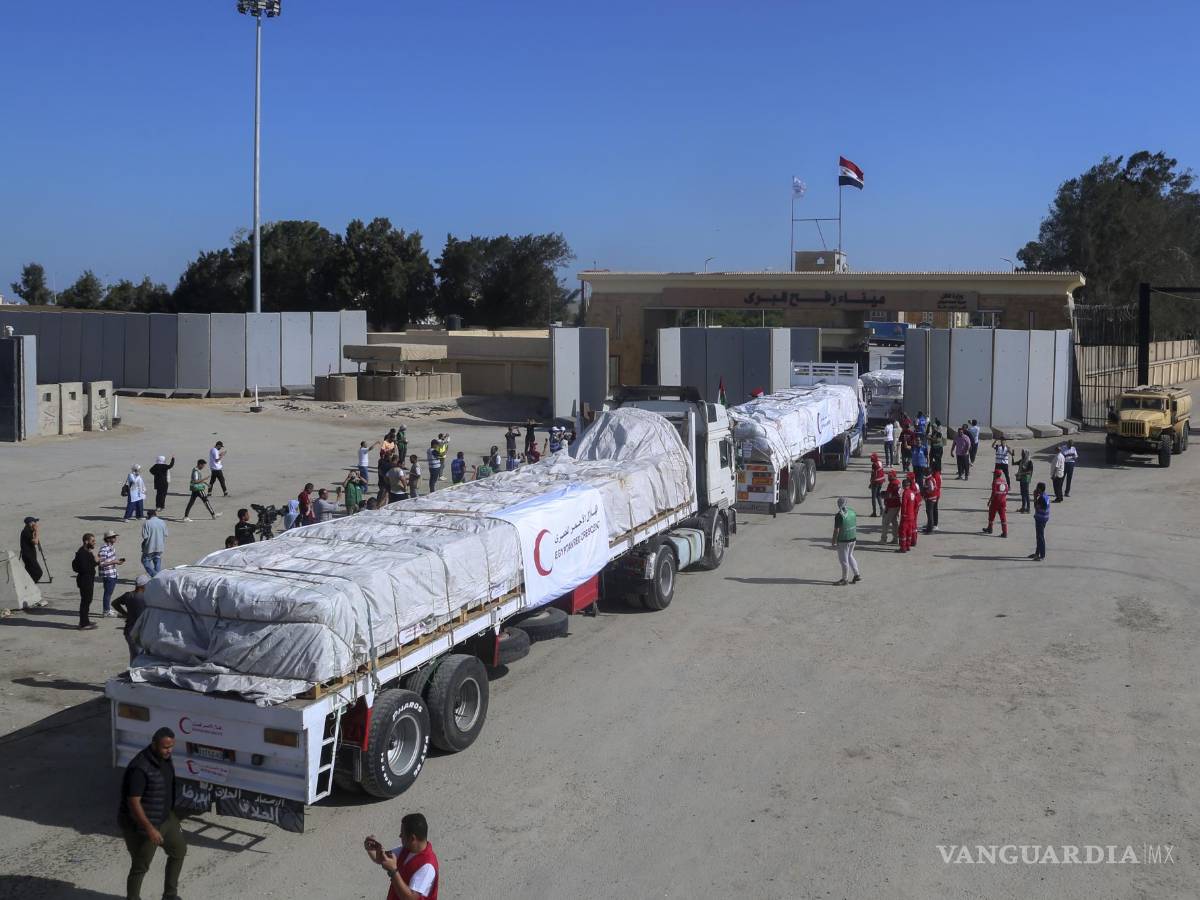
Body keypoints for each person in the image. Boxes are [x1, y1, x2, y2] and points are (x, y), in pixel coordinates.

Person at [119, 727, 187, 900]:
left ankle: (170, 895)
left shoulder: (164, 758)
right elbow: (133, 802)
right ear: (154, 744)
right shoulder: (140, 768)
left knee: (179, 850)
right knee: (140, 866)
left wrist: (172, 815)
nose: (169, 751)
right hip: (143, 826)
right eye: (165, 747)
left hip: (165, 818)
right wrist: (150, 829)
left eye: (171, 746)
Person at [364, 812, 439, 900]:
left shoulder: (427, 867)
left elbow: (411, 898)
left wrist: (393, 871)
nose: (400, 836)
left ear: (412, 838)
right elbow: (382, 859)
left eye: (402, 833)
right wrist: (371, 849)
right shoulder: (406, 849)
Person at [113, 574, 150, 663]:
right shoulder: (146, 598)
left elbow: (114, 603)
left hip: (129, 631)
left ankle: (132, 672)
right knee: (139, 657)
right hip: (140, 632)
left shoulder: (128, 595)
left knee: (134, 655)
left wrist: (125, 614)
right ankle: (134, 674)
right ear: (144, 586)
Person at [831, 497, 861, 586]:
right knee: (850, 556)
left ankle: (845, 579)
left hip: (844, 540)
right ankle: (857, 574)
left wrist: (834, 541)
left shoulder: (839, 515)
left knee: (844, 560)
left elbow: (836, 530)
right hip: (853, 537)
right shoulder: (852, 511)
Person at [72, 532, 99, 630]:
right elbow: (84, 568)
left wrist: (96, 561)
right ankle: (83, 624)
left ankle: (85, 621)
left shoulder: (86, 551)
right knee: (85, 602)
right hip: (85, 581)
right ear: (86, 541)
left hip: (88, 580)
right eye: (92, 541)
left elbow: (90, 565)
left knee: (87, 601)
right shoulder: (82, 553)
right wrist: (95, 562)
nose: (94, 543)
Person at [98, 530, 125, 618]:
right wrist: (114, 561)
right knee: (108, 593)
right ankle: (106, 611)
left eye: (115, 536)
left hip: (113, 573)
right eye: (113, 537)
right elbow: (101, 563)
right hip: (107, 574)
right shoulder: (104, 549)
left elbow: (110, 561)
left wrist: (117, 562)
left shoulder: (112, 547)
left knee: (109, 593)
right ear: (108, 539)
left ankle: (107, 609)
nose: (115, 538)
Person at [982, 468, 1009, 538]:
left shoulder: (995, 482)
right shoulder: (1004, 482)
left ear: (996, 475)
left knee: (991, 514)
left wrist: (990, 500)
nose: (993, 475)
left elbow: (993, 492)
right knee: (1003, 517)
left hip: (996, 501)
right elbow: (1006, 491)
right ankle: (1005, 532)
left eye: (994, 474)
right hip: (1003, 501)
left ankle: (990, 528)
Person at [898, 473, 920, 553]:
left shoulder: (905, 493)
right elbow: (916, 503)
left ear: (904, 485)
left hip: (906, 515)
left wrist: (903, 514)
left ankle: (903, 548)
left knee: (903, 531)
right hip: (912, 515)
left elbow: (904, 505)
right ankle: (908, 545)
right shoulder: (912, 492)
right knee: (909, 531)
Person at [141, 510, 168, 576]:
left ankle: (155, 576)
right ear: (155, 514)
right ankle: (157, 576)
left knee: (145, 561)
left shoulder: (147, 523)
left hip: (150, 547)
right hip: (160, 546)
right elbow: (166, 534)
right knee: (157, 560)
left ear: (148, 515)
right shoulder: (162, 522)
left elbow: (145, 536)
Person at [1030, 481, 1050, 561]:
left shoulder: (1041, 498)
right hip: (1044, 518)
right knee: (1039, 536)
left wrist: (1035, 497)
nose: (1036, 489)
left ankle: (1042, 555)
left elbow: (1036, 507)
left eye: (1037, 488)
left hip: (1040, 519)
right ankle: (1037, 553)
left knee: (1040, 537)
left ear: (1040, 489)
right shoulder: (1045, 496)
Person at [880, 471, 901, 544]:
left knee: (885, 522)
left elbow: (893, 495)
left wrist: (885, 495)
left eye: (890, 476)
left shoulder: (894, 484)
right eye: (888, 476)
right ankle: (896, 539)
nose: (888, 477)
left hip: (892, 506)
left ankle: (883, 539)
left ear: (894, 476)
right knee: (894, 522)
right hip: (895, 505)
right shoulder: (895, 482)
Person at [19, 516, 42, 583]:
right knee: (38, 573)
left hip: (28, 556)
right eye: (35, 522)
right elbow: (35, 542)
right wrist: (36, 531)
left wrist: (34, 532)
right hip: (29, 556)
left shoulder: (28, 530)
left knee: (29, 573)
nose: (36, 524)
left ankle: (27, 585)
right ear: (31, 523)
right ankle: (30, 585)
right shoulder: (26, 531)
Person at [921, 467, 941, 534]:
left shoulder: (929, 480)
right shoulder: (930, 479)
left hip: (930, 499)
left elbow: (931, 489)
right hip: (931, 498)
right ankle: (929, 527)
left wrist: (925, 492)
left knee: (930, 514)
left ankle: (930, 529)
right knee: (929, 513)